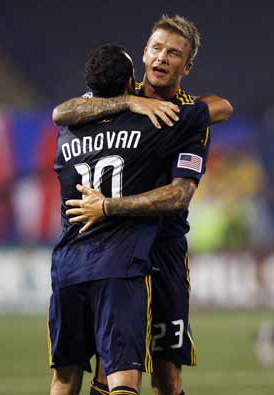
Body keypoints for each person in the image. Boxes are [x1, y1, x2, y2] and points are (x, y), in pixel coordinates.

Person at [53, 14, 233, 395]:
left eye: (174, 52)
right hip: (117, 248)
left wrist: (109, 207)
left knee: (166, 374)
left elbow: (181, 192)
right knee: (110, 366)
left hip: (163, 250)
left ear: (188, 66)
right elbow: (63, 112)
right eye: (156, 48)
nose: (162, 57)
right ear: (144, 52)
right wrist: (129, 101)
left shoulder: (187, 116)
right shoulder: (116, 96)